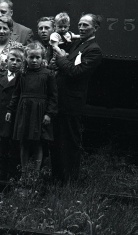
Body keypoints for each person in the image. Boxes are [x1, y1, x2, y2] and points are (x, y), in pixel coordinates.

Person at [50, 13, 103, 183]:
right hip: (62, 100)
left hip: (71, 103)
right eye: (80, 24)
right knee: (59, 140)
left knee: (69, 141)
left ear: (95, 28)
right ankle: (58, 178)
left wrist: (60, 59)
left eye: (86, 25)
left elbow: (75, 72)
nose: (81, 27)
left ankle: (69, 180)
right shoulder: (78, 43)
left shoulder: (93, 49)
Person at [6, 42, 58, 179]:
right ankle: (24, 172)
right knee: (24, 142)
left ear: (42, 58)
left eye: (37, 58)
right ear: (26, 58)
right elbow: (16, 93)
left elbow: (53, 96)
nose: (34, 61)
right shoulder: (22, 74)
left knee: (38, 142)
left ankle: (35, 173)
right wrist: (10, 110)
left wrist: (49, 114)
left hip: (39, 111)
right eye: (31, 57)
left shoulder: (48, 74)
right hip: (24, 110)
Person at [0, 48, 23, 180]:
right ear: (6, 61)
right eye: (12, 60)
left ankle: (10, 176)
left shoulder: (22, 78)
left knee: (11, 146)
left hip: (13, 117)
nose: (14, 63)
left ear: (22, 63)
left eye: (18, 61)